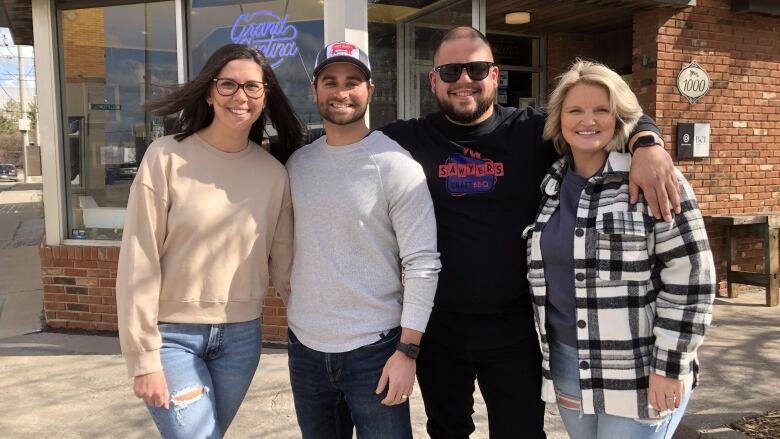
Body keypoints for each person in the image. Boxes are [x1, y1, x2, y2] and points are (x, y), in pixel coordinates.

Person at [379, 26, 681, 438]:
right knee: (446, 431)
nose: (463, 80)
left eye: (476, 68)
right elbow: (343, 144)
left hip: (516, 327)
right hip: (440, 326)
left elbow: (604, 116)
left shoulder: (534, 130)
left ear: (495, 75)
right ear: (433, 80)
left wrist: (649, 143)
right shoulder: (407, 139)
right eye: (450, 71)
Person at [116, 43, 302, 438]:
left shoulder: (273, 174)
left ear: (265, 95)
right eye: (228, 85)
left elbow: (284, 265)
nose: (241, 97)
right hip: (171, 338)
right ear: (208, 91)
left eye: (253, 87)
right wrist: (143, 358)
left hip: (241, 338)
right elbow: (139, 260)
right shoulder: (166, 157)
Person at [523, 59, 715, 438]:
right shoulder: (550, 186)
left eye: (601, 110)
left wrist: (670, 365)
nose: (587, 121)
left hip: (638, 367)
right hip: (567, 363)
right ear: (559, 119)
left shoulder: (651, 178)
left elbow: (693, 277)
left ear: (619, 116)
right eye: (575, 110)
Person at [285, 41, 441, 439]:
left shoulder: (397, 166)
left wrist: (407, 352)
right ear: (314, 90)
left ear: (369, 90)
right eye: (330, 81)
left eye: (353, 81)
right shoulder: (298, 165)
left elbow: (422, 263)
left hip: (376, 351)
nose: (341, 92)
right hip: (305, 348)